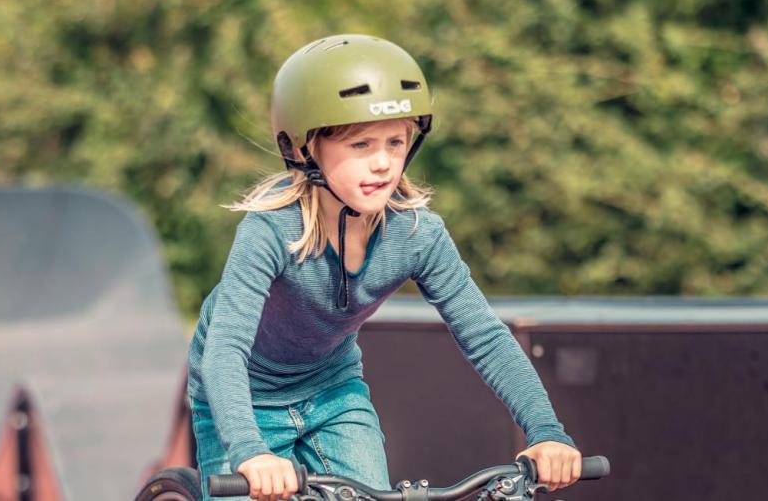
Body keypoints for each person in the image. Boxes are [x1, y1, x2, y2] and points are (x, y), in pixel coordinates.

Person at [188, 35, 582, 501]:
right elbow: (225, 349)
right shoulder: (270, 230)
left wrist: (546, 430)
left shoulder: (415, 234)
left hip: (332, 391)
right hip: (242, 397)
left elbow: (485, 335)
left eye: (396, 142)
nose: (382, 163)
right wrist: (250, 452)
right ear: (303, 149)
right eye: (361, 144)